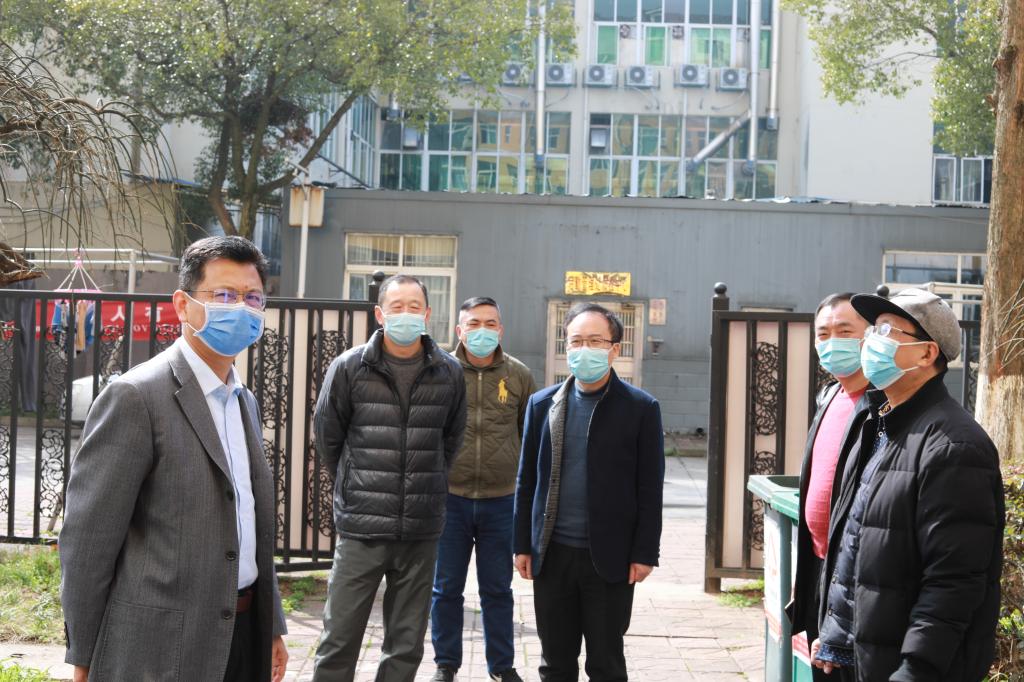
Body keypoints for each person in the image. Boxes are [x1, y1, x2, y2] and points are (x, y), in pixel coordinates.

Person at [59, 236, 288, 682]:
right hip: (160, 647)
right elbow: (88, 541)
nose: (240, 308)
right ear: (183, 305)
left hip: (243, 635)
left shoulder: (243, 401)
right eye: (224, 295)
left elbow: (248, 525)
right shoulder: (137, 397)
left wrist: (271, 624)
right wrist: (84, 656)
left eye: (252, 298)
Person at [812, 288, 1004, 681]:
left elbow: (953, 582)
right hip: (859, 656)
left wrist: (915, 670)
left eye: (887, 331)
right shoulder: (878, 424)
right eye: (873, 330)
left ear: (927, 353)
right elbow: (857, 541)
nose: (871, 342)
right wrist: (835, 632)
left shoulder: (954, 446)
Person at [312, 274, 467, 682]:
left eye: (414, 306)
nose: (406, 314)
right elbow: (328, 437)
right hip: (362, 528)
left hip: (420, 529)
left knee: (405, 645)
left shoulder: (449, 372)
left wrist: (425, 484)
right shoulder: (349, 367)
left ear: (427, 314)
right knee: (339, 640)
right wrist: (356, 485)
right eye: (396, 307)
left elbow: (451, 439)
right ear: (380, 314)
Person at [513, 302, 664, 682]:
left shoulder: (641, 408)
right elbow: (526, 479)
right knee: (554, 663)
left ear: (615, 349)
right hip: (552, 555)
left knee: (606, 663)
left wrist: (645, 552)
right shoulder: (541, 404)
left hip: (611, 559)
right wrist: (521, 544)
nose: (585, 349)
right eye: (576, 341)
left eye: (595, 341)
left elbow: (649, 488)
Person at [431, 297, 536, 682]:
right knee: (445, 589)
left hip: (501, 501)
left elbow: (531, 436)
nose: (482, 331)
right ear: (459, 330)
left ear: (500, 330)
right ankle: (446, 664)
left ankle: (502, 666)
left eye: (490, 323)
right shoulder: (439, 371)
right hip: (450, 499)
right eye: (473, 323)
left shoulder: (519, 375)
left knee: (498, 590)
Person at [785, 293, 871, 682]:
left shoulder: (883, 404)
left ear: (871, 336)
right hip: (820, 570)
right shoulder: (830, 395)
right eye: (823, 333)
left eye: (844, 331)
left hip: (855, 578)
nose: (832, 342)